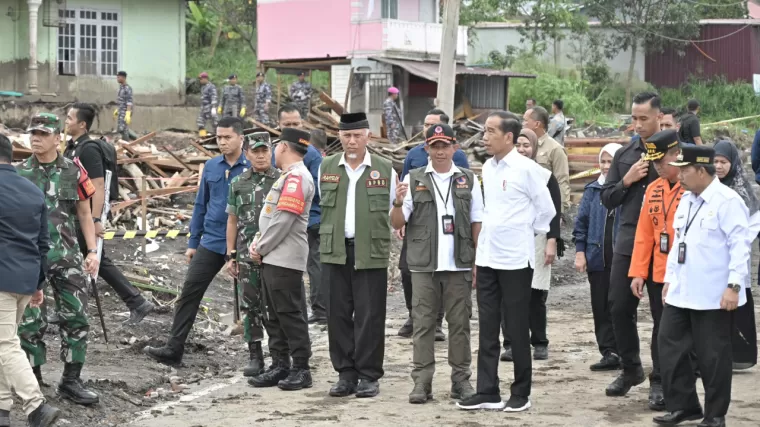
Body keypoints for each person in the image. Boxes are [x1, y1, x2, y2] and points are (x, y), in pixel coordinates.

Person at [457, 112, 555, 412]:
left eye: (490, 132)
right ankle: (488, 391)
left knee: (515, 327)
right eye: (484, 131)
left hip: (515, 260)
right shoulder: (488, 166)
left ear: (509, 137)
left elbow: (546, 212)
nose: (484, 137)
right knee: (487, 327)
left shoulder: (528, 169)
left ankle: (520, 392)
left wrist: (523, 232)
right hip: (488, 257)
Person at [654, 145, 750, 427]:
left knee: (713, 357)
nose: (679, 174)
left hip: (713, 295)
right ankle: (684, 405)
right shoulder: (687, 199)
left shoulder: (727, 201)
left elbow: (740, 248)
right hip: (682, 291)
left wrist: (734, 286)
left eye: (684, 170)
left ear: (701, 170)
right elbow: (677, 242)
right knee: (668, 345)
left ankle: (715, 414)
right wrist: (670, 278)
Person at [144, 117, 249, 364]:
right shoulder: (211, 166)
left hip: (245, 241)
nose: (222, 142)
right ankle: (174, 348)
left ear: (241, 138)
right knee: (190, 291)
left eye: (227, 137)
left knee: (255, 297)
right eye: (219, 137)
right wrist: (193, 243)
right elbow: (201, 205)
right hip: (212, 240)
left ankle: (264, 354)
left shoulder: (252, 166)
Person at [390, 123, 482, 404]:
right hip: (423, 266)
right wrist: (397, 201)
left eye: (445, 145)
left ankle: (460, 382)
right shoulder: (414, 178)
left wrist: (478, 261)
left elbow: (477, 219)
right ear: (426, 148)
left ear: (455, 147)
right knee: (423, 325)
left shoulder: (468, 178)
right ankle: (421, 383)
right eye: (435, 146)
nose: (440, 151)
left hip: (459, 265)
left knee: (460, 325)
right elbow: (397, 222)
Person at [16, 113, 101, 405]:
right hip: (29, 259)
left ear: (57, 138)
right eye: (32, 133)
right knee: (30, 322)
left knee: (76, 318)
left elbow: (84, 214)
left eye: (42, 133)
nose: (36, 138)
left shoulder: (74, 172)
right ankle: (33, 380)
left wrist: (92, 251)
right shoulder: (18, 173)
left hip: (67, 257)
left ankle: (71, 380)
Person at [319, 112, 397, 398]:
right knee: (337, 315)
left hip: (370, 251)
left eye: (357, 136)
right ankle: (345, 374)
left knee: (370, 315)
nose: (352, 141)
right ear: (339, 137)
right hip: (334, 251)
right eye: (346, 136)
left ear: (368, 136)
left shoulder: (385, 168)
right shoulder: (326, 167)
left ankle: (368, 375)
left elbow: (394, 212)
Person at [63, 103, 155, 325]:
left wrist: (95, 220)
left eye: (69, 118)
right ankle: (135, 302)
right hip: (73, 211)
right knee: (87, 260)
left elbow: (98, 185)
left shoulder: (89, 149)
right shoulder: (72, 148)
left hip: (85, 214)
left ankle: (136, 302)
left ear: (82, 124)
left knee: (93, 260)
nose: (65, 121)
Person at [600, 91, 661, 401]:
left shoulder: (673, 155)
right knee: (619, 306)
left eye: (643, 119)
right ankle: (631, 367)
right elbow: (606, 196)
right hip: (628, 241)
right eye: (634, 118)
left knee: (663, 314)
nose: (637, 124)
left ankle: (660, 378)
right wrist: (626, 180)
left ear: (659, 117)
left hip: (662, 246)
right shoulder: (625, 155)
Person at [0, 135, 61, 427]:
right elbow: (43, 243)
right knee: (3, 343)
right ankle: (1, 409)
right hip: (24, 281)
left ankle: (36, 406)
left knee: (5, 344)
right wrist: (38, 283)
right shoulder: (32, 190)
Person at [248, 128, 315, 391]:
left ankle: (300, 368)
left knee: (289, 314)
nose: (273, 151)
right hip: (272, 256)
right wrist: (259, 243)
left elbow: (284, 219)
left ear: (284, 147)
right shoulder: (289, 177)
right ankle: (280, 364)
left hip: (283, 258)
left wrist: (261, 246)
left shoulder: (297, 178)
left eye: (275, 146)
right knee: (272, 314)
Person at [397, 108, 469, 340]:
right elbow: (404, 190)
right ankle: (413, 314)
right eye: (425, 124)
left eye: (432, 124)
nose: (426, 128)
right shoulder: (413, 155)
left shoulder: (457, 158)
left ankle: (436, 321)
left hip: (448, 230)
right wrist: (401, 218)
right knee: (409, 270)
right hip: (419, 225)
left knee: (441, 270)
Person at [627, 129, 684, 411]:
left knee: (687, 332)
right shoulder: (653, 189)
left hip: (687, 275)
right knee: (661, 330)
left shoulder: (693, 187)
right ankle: (659, 381)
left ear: (677, 155)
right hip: (658, 276)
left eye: (661, 161)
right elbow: (644, 235)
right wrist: (638, 272)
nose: (657, 167)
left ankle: (682, 383)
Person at [501, 128, 562, 362]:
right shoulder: (503, 174)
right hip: (510, 241)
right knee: (509, 296)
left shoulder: (545, 176)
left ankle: (539, 342)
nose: (522, 149)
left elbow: (554, 213)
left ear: (535, 148)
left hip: (538, 241)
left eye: (526, 145)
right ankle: (510, 343)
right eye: (518, 145)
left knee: (535, 294)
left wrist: (552, 242)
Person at [225, 133, 280, 378]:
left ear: (272, 152)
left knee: (278, 307)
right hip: (247, 255)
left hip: (277, 255)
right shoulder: (238, 183)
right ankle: (255, 355)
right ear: (246, 153)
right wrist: (231, 255)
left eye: (264, 151)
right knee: (250, 306)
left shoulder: (283, 180)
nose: (260, 155)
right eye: (255, 151)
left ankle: (281, 355)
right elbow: (232, 220)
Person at [273, 104, 325, 324]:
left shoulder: (310, 155)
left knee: (314, 265)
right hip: (283, 218)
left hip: (310, 219)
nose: (293, 128)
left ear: (303, 124)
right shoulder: (275, 152)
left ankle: (320, 311)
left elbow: (317, 188)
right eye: (288, 125)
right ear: (279, 125)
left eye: (296, 124)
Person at [573, 143, 623, 371]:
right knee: (600, 306)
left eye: (610, 162)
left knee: (620, 307)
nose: (605, 167)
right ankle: (608, 351)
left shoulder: (628, 190)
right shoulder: (593, 190)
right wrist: (581, 252)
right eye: (602, 162)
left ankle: (625, 351)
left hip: (622, 259)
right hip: (597, 258)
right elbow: (581, 223)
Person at [713, 140, 758, 370]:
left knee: (737, 304)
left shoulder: (742, 192)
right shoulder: (707, 190)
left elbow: (753, 222)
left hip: (736, 258)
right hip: (712, 260)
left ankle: (739, 356)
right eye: (716, 162)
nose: (719, 167)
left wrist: (733, 242)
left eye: (724, 162)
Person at [522, 106, 571, 214]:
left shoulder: (555, 149)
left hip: (544, 208)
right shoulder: (520, 146)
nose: (522, 123)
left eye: (525, 120)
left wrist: (560, 211)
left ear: (537, 124)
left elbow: (562, 181)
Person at [197, 72, 219, 137]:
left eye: (201, 79)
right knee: (200, 122)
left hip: (210, 107)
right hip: (203, 108)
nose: (200, 80)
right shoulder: (203, 87)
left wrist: (213, 107)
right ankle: (202, 136)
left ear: (205, 79)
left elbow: (214, 96)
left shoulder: (211, 86)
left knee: (215, 123)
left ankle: (218, 136)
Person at [114, 71, 133, 141]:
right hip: (120, 111)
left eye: (118, 77)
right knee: (121, 129)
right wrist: (117, 110)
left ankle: (128, 142)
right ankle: (125, 143)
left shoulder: (128, 89)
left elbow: (129, 102)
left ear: (123, 78)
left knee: (123, 129)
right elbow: (120, 100)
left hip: (125, 112)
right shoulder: (121, 87)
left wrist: (128, 113)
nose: (117, 79)